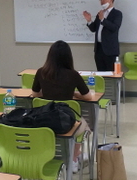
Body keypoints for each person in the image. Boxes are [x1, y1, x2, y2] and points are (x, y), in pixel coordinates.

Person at [31, 40, 92, 172]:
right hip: (66, 121)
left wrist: (48, 93)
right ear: (68, 57)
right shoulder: (73, 75)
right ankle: (74, 158)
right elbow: (88, 97)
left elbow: (35, 94)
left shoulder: (41, 72)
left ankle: (63, 155)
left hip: (45, 120)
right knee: (84, 125)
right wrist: (74, 94)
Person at [82, 0, 123, 71]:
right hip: (99, 49)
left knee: (111, 74)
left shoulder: (117, 13)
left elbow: (115, 28)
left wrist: (103, 19)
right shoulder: (100, 13)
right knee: (100, 73)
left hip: (110, 50)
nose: (102, 1)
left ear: (111, 0)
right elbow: (93, 29)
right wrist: (89, 20)